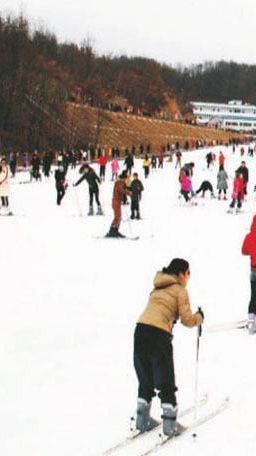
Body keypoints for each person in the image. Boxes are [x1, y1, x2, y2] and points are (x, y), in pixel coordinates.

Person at [133, 258, 204, 437]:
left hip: (140, 330)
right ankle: (170, 425)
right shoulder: (180, 290)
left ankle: (142, 420)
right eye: (188, 273)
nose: (188, 277)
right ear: (181, 274)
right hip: (159, 335)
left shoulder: (157, 287)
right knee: (165, 378)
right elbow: (187, 320)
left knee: (145, 375)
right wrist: (199, 317)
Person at [107, 171, 130, 238]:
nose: (126, 180)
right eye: (125, 179)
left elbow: (122, 191)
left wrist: (124, 199)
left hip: (118, 202)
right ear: (123, 178)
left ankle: (115, 231)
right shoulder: (119, 182)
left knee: (119, 217)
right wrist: (129, 193)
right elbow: (122, 190)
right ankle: (112, 231)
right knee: (117, 217)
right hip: (116, 202)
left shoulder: (121, 183)